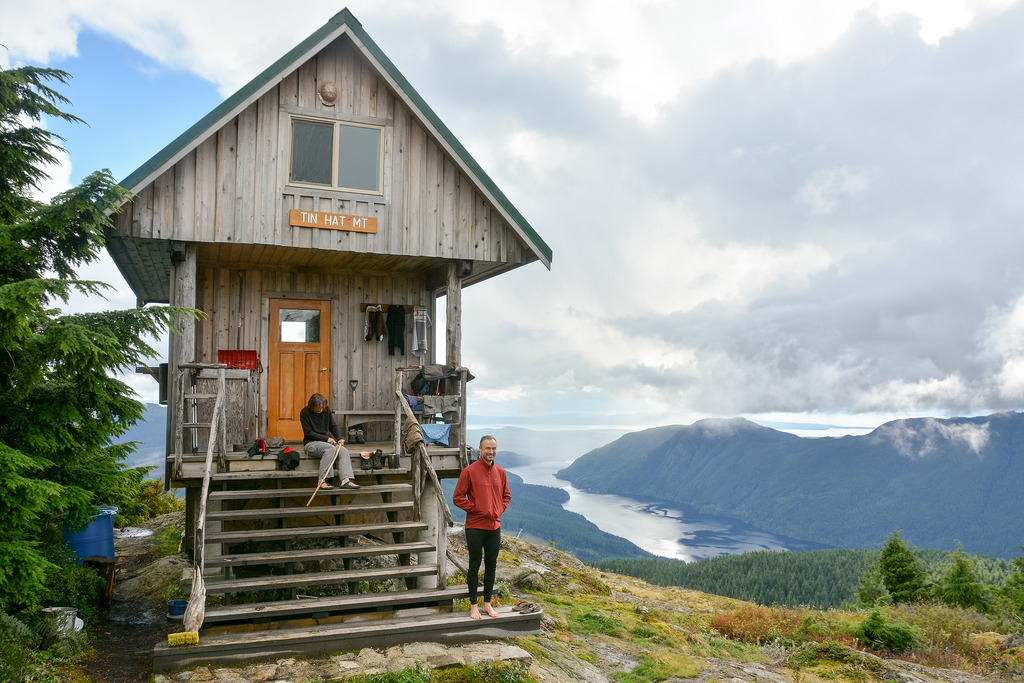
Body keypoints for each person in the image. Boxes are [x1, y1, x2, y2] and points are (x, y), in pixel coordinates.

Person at [452, 435, 510, 619]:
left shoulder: (500, 472)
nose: (491, 452)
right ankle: (473, 606)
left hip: (494, 527)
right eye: (487, 448)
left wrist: (498, 510)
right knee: (474, 566)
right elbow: (458, 498)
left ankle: (487, 604)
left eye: (493, 448)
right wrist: (476, 508)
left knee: (491, 566)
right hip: (475, 527)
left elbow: (506, 496)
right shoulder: (469, 471)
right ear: (480, 449)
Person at [299, 393, 359, 490]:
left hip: (326, 443)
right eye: (318, 408)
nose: (321, 410)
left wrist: (339, 438)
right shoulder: (304, 413)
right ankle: (322, 480)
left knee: (343, 451)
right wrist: (326, 439)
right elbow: (308, 433)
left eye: (322, 408)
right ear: (312, 406)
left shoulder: (326, 410)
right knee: (330, 449)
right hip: (311, 444)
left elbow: (332, 426)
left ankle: (345, 480)